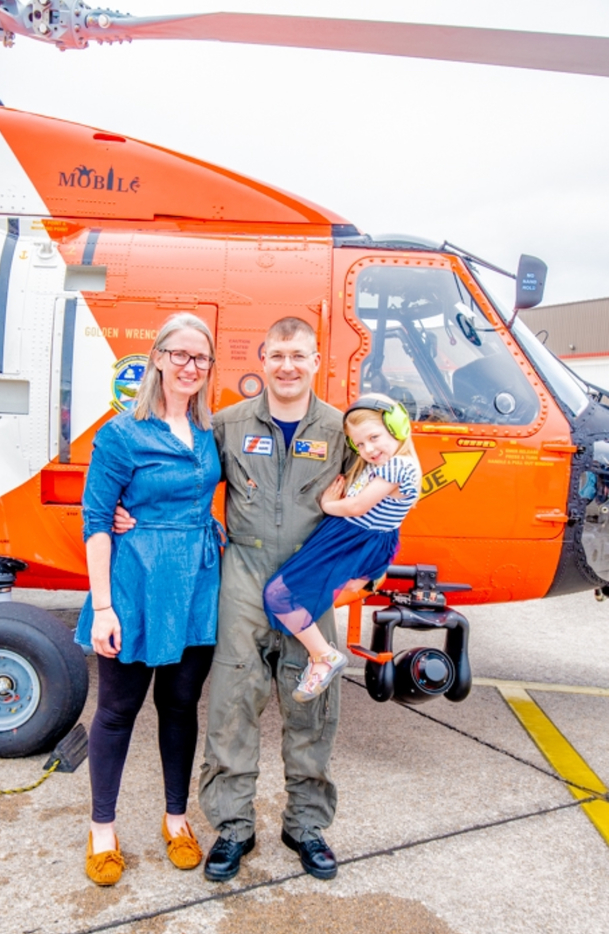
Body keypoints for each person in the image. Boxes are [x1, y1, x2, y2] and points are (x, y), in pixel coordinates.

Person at [114, 316, 353, 882]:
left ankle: (306, 826)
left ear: (316, 361)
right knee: (231, 704)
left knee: (313, 708)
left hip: (309, 582)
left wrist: (356, 570)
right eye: (277, 356)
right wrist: (131, 513)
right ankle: (234, 828)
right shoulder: (225, 423)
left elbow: (386, 488)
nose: (288, 367)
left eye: (299, 356)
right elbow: (171, 470)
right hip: (242, 577)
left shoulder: (343, 430)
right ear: (262, 361)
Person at [76, 312, 222, 886]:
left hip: (196, 585)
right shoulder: (120, 434)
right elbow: (94, 521)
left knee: (181, 706)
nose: (190, 367)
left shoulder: (211, 431)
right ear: (158, 357)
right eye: (180, 355)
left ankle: (176, 818)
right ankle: (102, 829)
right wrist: (104, 605)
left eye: (201, 358)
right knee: (116, 710)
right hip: (135, 584)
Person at [263, 394, 421, 701]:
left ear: (399, 427)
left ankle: (323, 656)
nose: (369, 450)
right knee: (300, 596)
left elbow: (358, 506)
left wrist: (327, 504)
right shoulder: (387, 463)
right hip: (351, 537)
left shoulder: (398, 466)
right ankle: (319, 657)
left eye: (374, 438)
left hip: (350, 539)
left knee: (278, 594)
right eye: (359, 444)